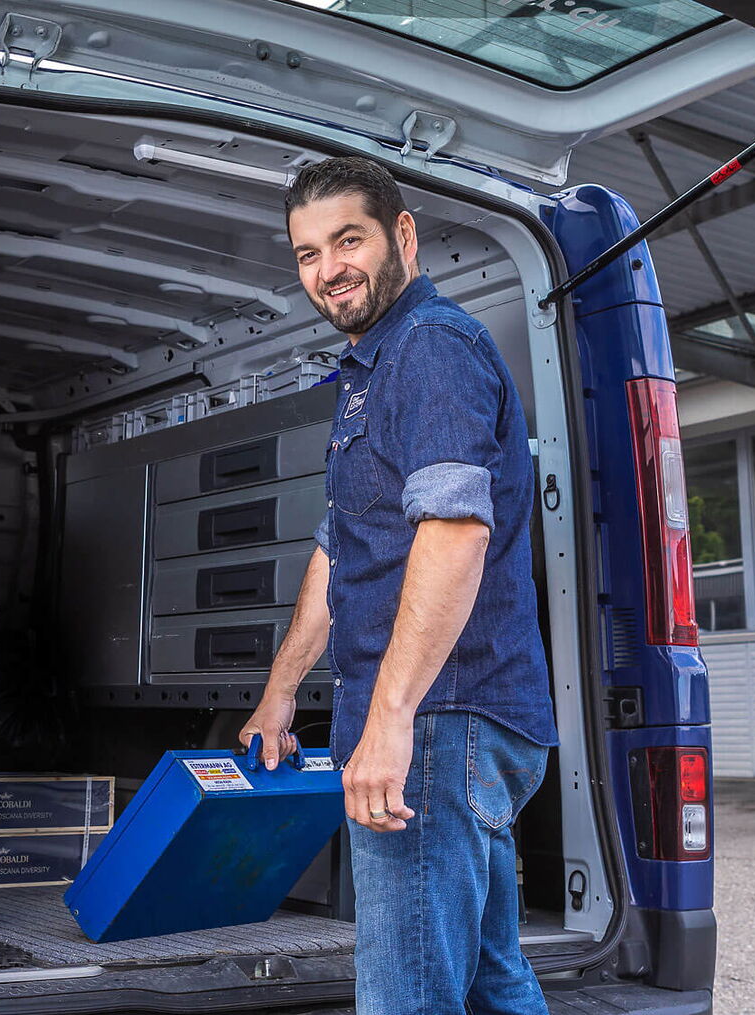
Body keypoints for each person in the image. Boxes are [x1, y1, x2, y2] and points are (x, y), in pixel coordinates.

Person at [239, 156, 558, 1015]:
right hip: (441, 725)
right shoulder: (370, 369)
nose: (327, 268)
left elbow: (454, 534)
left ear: (402, 234)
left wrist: (390, 724)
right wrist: (279, 694)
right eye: (307, 253)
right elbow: (340, 550)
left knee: (406, 997)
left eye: (348, 239)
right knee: (493, 978)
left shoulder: (428, 346)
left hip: (436, 725)